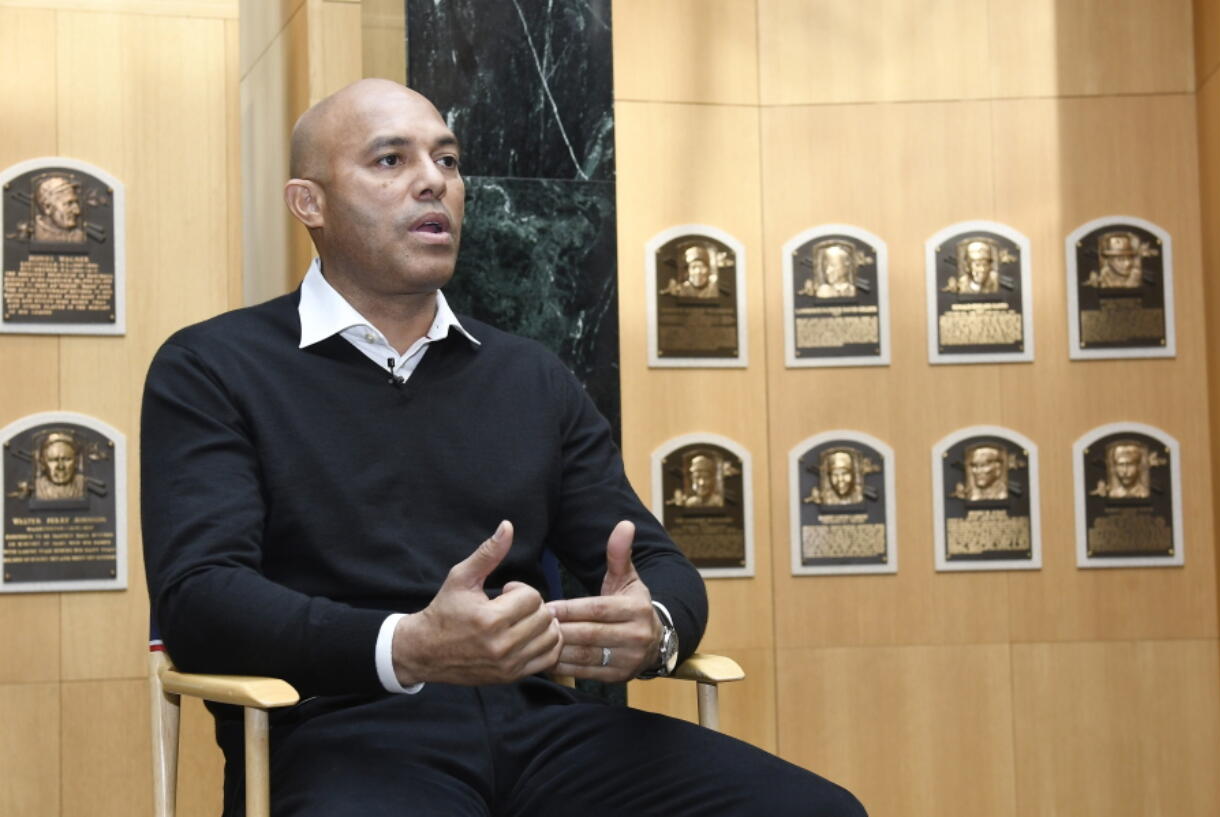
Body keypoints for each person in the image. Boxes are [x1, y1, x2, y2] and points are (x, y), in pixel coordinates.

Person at [141, 79, 864, 817]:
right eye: (391, 160)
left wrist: (652, 627)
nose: (434, 180)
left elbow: (654, 561)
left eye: (448, 160)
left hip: (542, 730)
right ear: (310, 204)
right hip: (340, 734)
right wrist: (407, 644)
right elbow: (201, 600)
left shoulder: (529, 375)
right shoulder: (213, 367)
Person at [32, 174, 85, 243]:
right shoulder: (31, 233)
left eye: (76, 203)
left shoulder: (79, 236)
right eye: (69, 204)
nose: (77, 211)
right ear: (47, 207)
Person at [35, 432, 86, 500]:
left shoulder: (84, 485)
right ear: (42, 463)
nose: (61, 466)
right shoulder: (35, 488)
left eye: (66, 459)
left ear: (76, 461)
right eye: (53, 460)